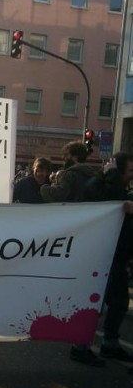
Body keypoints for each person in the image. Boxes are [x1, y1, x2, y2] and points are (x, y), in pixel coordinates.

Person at [41, 141, 104, 366]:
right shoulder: (94, 175)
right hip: (91, 236)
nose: (63, 156)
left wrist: (46, 186)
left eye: (66, 153)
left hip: (71, 236)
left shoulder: (68, 175)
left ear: (74, 155)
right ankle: (81, 335)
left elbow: (56, 197)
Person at [95, 153, 133, 369]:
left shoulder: (122, 189)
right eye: (129, 172)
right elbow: (110, 203)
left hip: (118, 256)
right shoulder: (104, 187)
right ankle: (80, 347)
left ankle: (109, 343)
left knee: (118, 303)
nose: (132, 176)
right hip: (103, 257)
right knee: (95, 305)